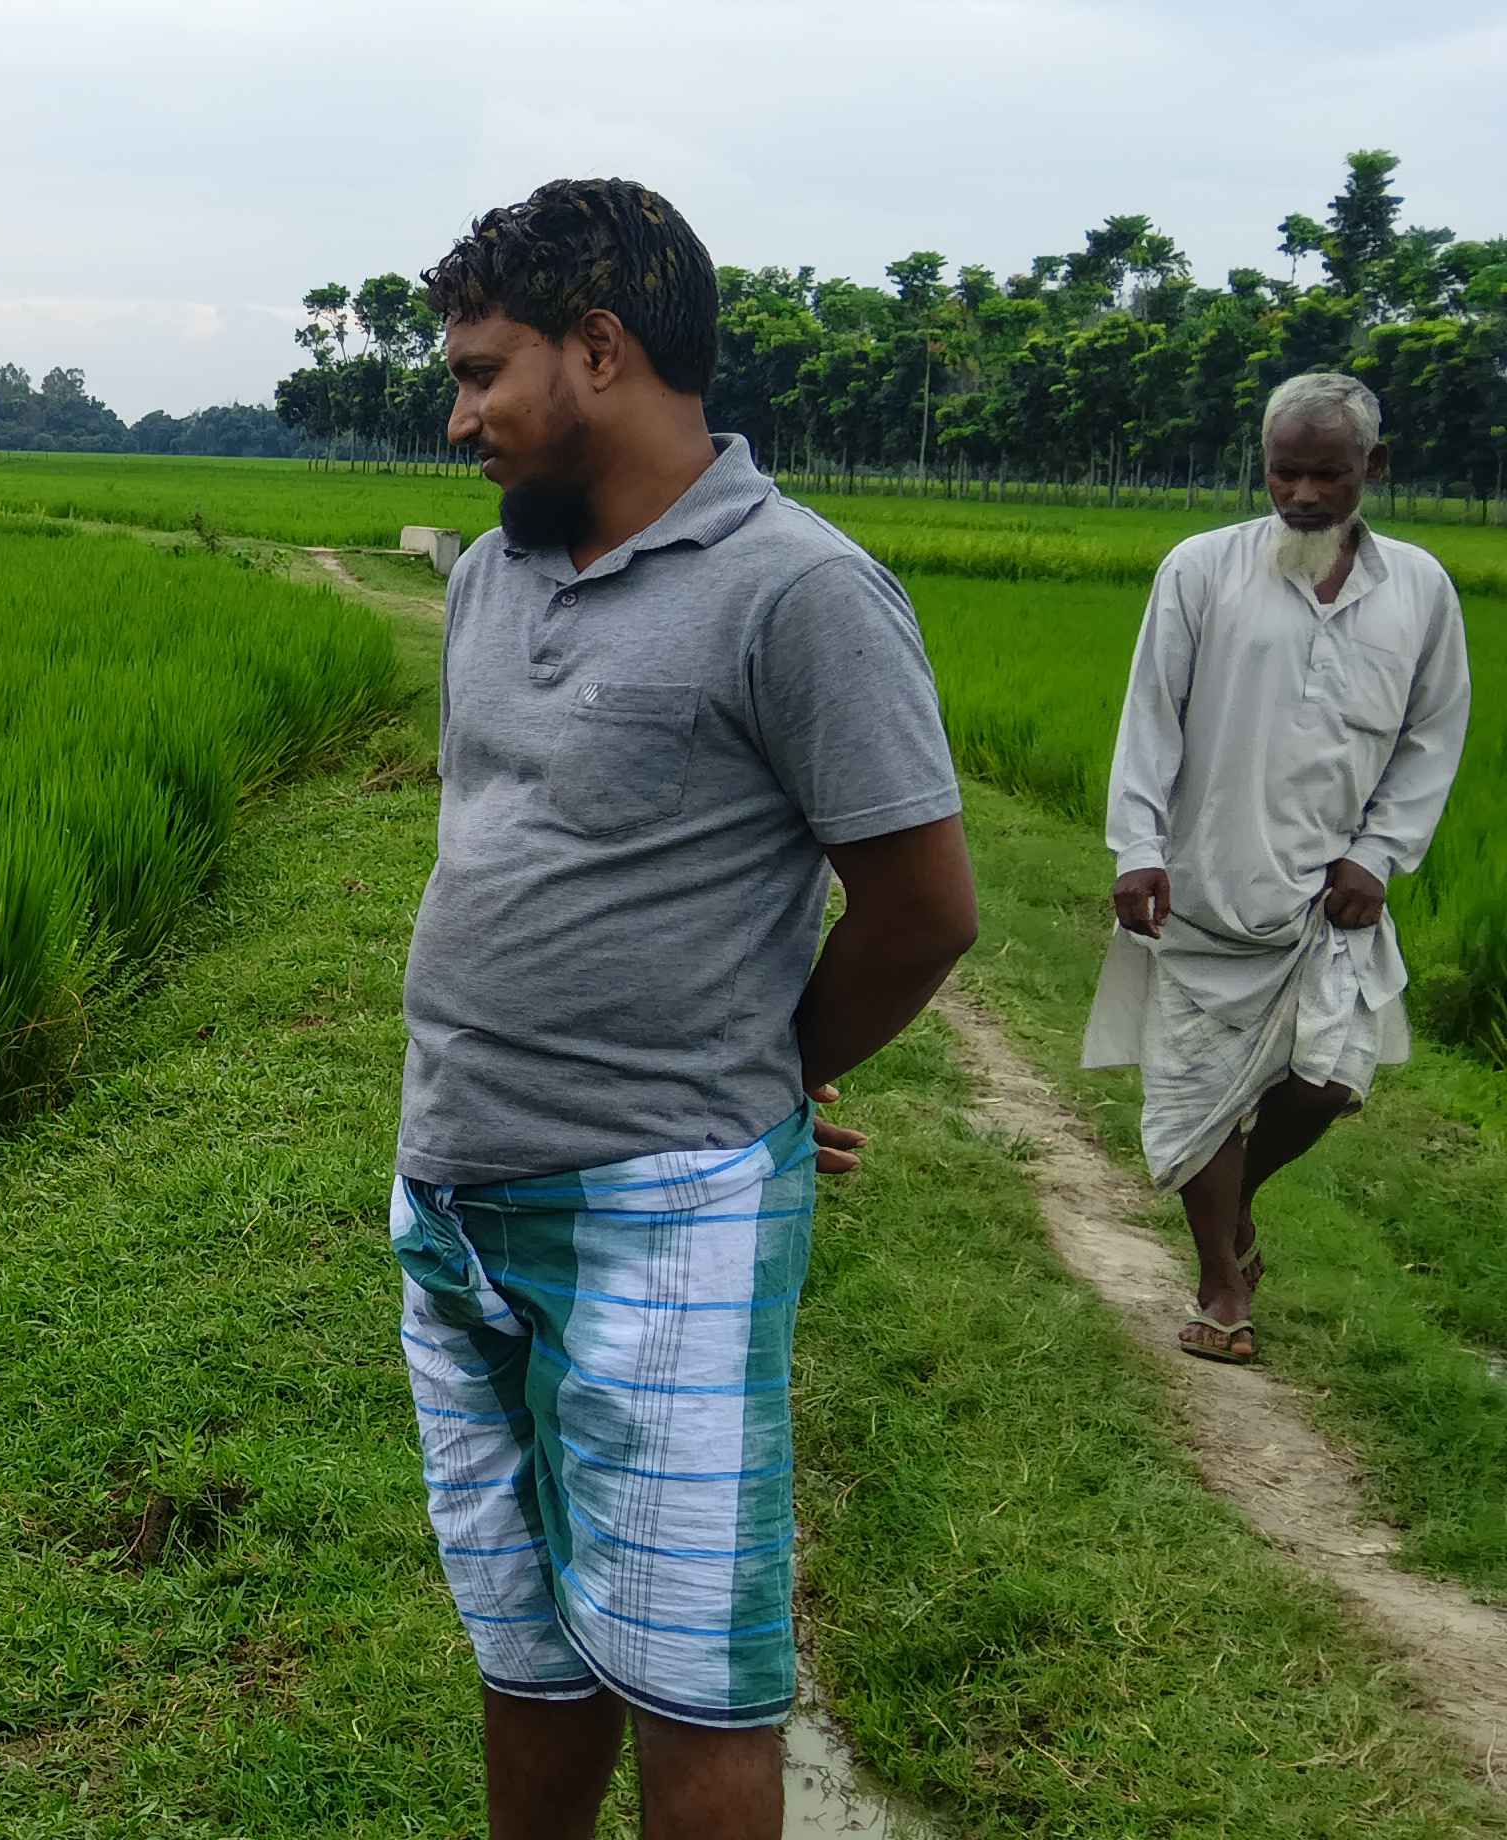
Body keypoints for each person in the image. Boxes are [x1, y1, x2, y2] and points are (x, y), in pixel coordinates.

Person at [396, 179, 981, 1840]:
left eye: (483, 373)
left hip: (664, 1219)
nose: (459, 420)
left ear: (601, 349)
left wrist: (765, 1078)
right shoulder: (492, 579)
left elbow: (924, 910)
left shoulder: (800, 592)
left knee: (689, 1677)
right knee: (525, 1643)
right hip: (451, 1197)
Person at [1081, 372, 1471, 1367]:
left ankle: (1236, 1195)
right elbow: (1150, 715)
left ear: (1374, 467)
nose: (1301, 494)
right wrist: (1138, 848)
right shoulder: (1200, 569)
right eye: (1282, 472)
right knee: (1197, 1085)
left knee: (1332, 1080)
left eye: (1327, 474)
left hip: (1332, 900)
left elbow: (1432, 736)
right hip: (1204, 884)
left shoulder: (1420, 589)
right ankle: (1222, 1283)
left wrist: (1378, 853)